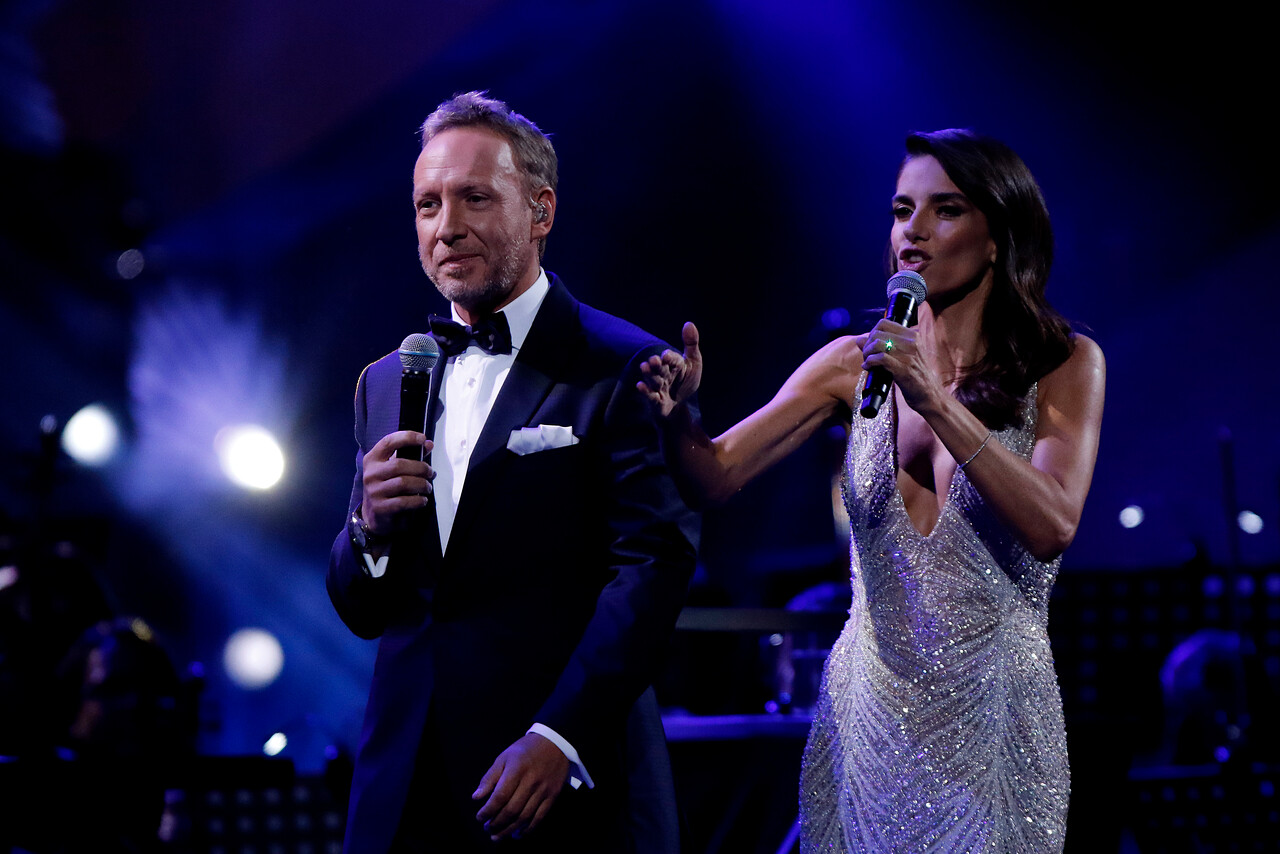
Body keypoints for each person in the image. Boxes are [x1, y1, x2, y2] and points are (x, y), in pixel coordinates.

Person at [639, 129, 1105, 852]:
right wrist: (679, 417)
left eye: (944, 210)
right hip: (869, 712)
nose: (912, 231)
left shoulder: (1063, 363)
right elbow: (716, 475)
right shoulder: (850, 367)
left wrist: (937, 401)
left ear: (996, 238)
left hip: (993, 714)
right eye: (901, 209)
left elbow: (1052, 524)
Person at [327, 92, 699, 852]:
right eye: (427, 204)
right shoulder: (384, 380)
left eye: (473, 198)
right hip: (408, 788)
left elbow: (653, 567)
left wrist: (560, 736)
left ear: (541, 210)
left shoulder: (622, 362)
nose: (446, 226)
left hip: (561, 780)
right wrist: (367, 527)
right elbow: (366, 609)